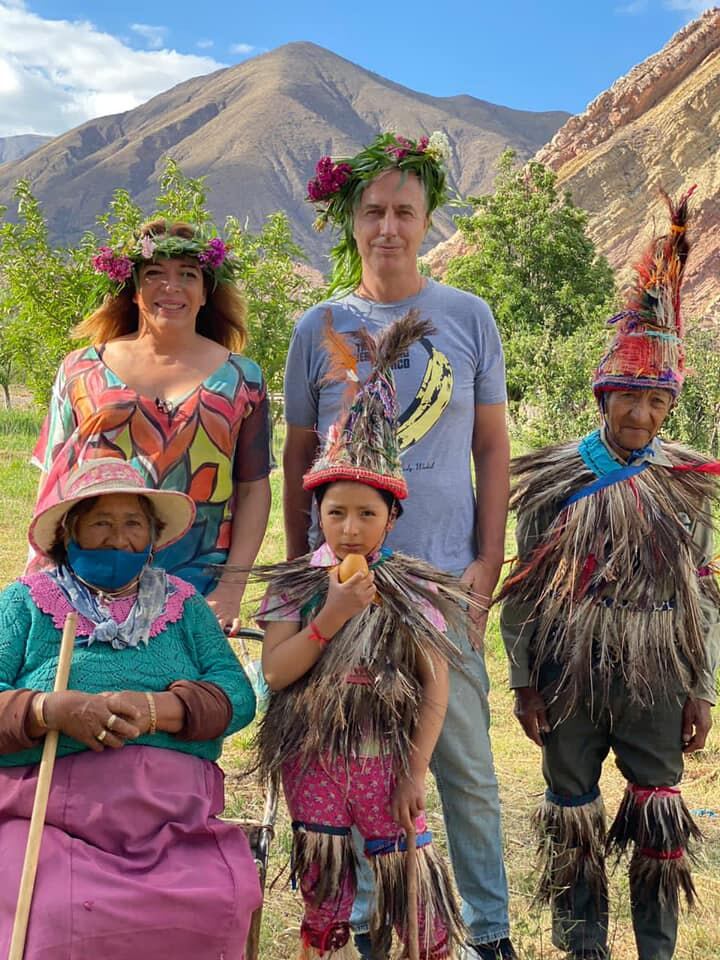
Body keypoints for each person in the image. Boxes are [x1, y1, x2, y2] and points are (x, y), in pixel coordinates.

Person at [283, 132, 514, 960]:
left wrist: (486, 563)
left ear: (427, 221)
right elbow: (297, 456)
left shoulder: (467, 318)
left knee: (465, 771)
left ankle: (489, 930)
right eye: (373, 211)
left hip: (445, 578)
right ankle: (374, 917)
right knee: (363, 750)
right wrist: (302, 573)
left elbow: (493, 447)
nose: (388, 226)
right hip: (346, 580)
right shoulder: (320, 327)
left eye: (404, 211)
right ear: (350, 220)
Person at [498, 189, 720, 960]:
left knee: (660, 816)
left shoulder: (687, 483)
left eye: (658, 400)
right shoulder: (558, 479)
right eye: (631, 396)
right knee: (573, 811)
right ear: (605, 395)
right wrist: (525, 678)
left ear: (669, 406)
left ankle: (656, 949)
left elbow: (702, 589)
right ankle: (580, 944)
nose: (643, 414)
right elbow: (524, 588)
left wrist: (701, 688)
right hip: (570, 667)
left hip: (660, 668)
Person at [255, 312, 471, 959]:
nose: (349, 527)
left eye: (366, 513)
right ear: (315, 511)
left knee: (419, 901)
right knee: (324, 905)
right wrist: (333, 615)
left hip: (387, 769)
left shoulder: (413, 590)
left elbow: (434, 687)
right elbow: (276, 673)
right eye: (336, 511)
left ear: (391, 517)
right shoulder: (294, 586)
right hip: (312, 764)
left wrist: (414, 773)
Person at [0, 457, 262, 958]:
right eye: (101, 522)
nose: (118, 539)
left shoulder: (184, 605)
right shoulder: (24, 605)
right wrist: (49, 711)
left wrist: (159, 709)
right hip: (49, 820)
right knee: (52, 912)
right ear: (69, 532)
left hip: (173, 823)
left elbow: (237, 694)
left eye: (132, 524)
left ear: (152, 537)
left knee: (213, 904)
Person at [32, 218, 272, 629]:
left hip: (196, 587)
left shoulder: (242, 381)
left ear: (205, 292)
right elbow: (53, 482)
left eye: (188, 275)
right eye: (155, 274)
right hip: (87, 578)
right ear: (134, 288)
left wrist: (232, 587)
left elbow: (253, 489)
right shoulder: (81, 370)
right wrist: (41, 576)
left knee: (179, 693)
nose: (171, 286)